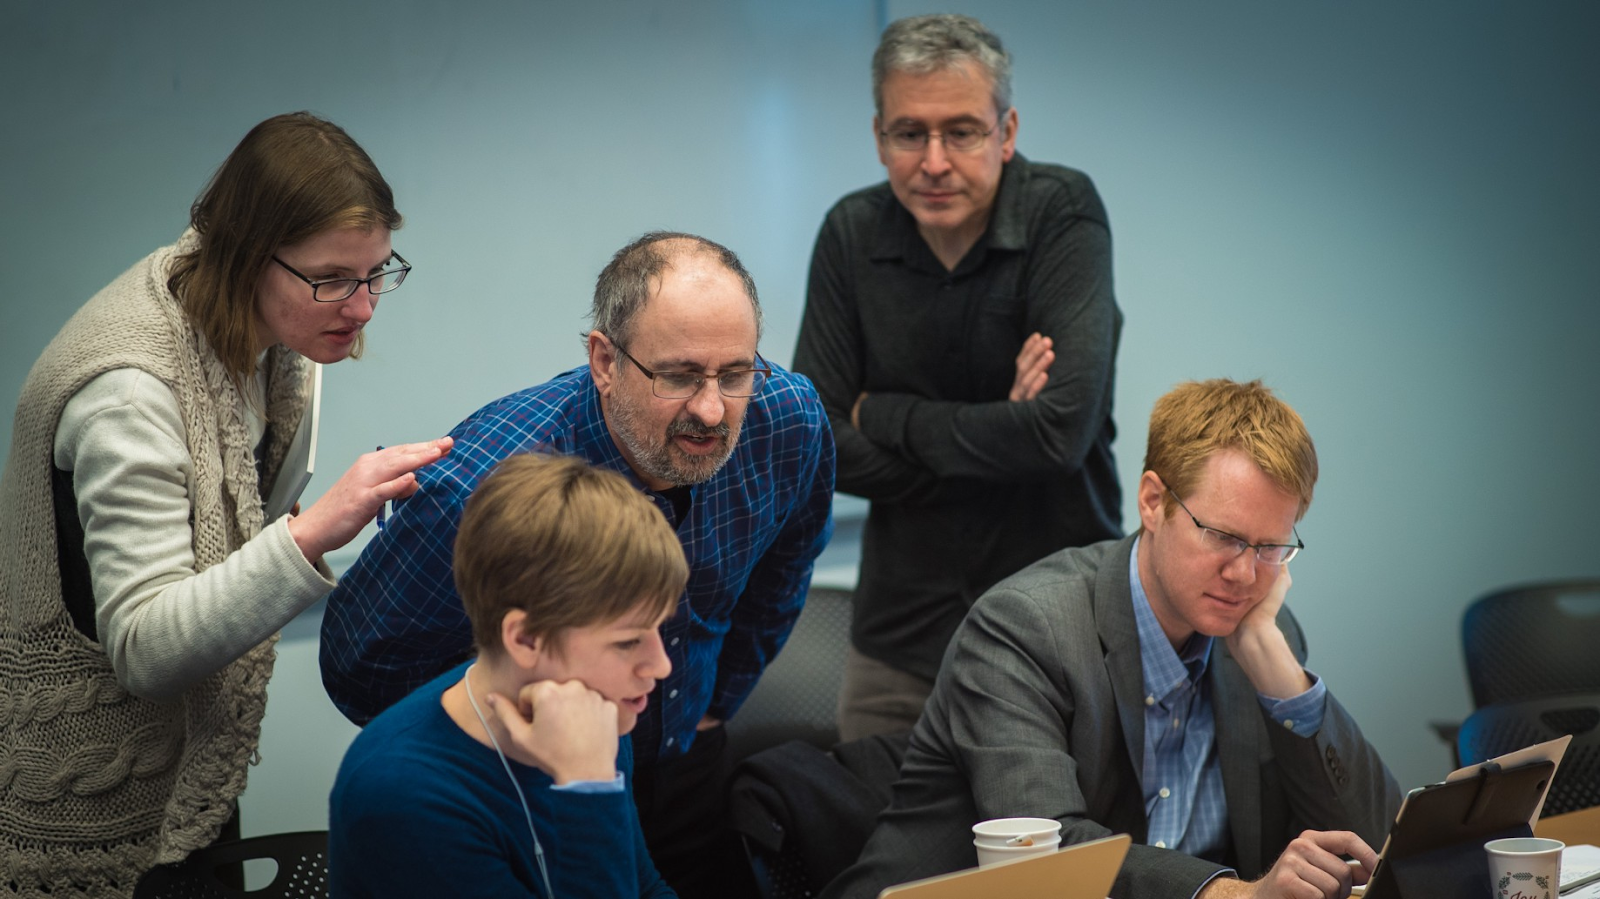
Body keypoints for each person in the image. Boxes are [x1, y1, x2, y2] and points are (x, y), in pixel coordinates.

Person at [0, 112, 451, 894]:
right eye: (333, 279)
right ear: (248, 257)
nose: (364, 306)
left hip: (198, 760)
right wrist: (313, 534)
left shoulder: (279, 332)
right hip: (91, 788)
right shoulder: (127, 395)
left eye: (378, 271)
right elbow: (144, 647)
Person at [320, 231, 834, 898]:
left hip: (673, 757)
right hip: (515, 771)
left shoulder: (785, 419)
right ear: (604, 361)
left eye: (735, 373)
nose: (712, 408)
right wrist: (511, 734)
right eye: (678, 375)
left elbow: (783, 572)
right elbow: (363, 663)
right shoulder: (482, 485)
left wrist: (706, 707)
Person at [823, 379, 1403, 899]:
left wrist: (1280, 675)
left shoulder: (1259, 636)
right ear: (1153, 502)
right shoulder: (1023, 627)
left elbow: (1379, 850)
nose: (1246, 575)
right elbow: (1046, 857)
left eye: (1271, 547)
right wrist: (1234, 896)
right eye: (1224, 537)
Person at [792, 13, 1122, 741]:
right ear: (880, 137)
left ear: (1006, 133)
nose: (933, 161)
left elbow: (1059, 434)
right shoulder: (851, 233)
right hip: (898, 642)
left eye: (962, 131)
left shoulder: (1061, 213)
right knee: (881, 848)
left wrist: (884, 416)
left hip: (1061, 627)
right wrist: (999, 432)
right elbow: (818, 444)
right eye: (910, 133)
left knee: (1063, 851)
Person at [330, 453, 681, 898]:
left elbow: (644, 886)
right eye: (628, 641)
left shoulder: (592, 708)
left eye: (659, 629)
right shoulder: (404, 798)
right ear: (527, 639)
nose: (662, 665)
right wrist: (588, 788)